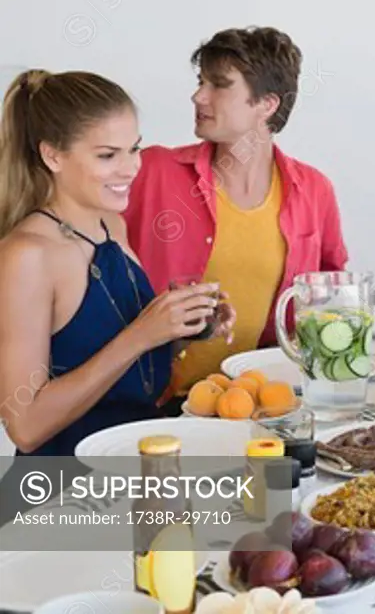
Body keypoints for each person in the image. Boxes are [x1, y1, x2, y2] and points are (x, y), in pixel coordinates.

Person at [0, 69, 236, 457]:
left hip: (143, 465)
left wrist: (182, 326)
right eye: (108, 155)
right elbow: (24, 427)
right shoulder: (27, 256)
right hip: (63, 493)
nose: (131, 169)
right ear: (53, 155)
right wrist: (142, 334)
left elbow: (110, 354)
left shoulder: (111, 224)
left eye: (134, 149)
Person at [124, 26, 348, 411]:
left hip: (259, 405)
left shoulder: (314, 190)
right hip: (151, 404)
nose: (199, 96)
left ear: (267, 105)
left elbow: (331, 299)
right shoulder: (153, 170)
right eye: (200, 82)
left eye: (219, 85)